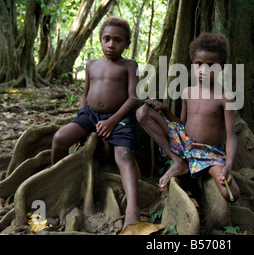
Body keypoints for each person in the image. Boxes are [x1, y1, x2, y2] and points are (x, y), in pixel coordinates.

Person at [51, 16, 140, 229]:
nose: (111, 44)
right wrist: (82, 122)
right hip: (90, 115)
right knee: (59, 138)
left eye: (118, 40)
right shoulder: (91, 65)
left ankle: (132, 207)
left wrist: (112, 121)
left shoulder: (129, 65)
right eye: (106, 39)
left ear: (127, 43)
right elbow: (85, 95)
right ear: (100, 40)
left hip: (118, 118)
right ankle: (58, 184)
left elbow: (134, 98)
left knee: (124, 156)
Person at [136, 32, 240, 202]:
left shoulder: (225, 96)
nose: (203, 70)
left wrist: (228, 166)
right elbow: (182, 125)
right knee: (143, 112)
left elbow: (231, 135)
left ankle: (201, 170)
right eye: (198, 64)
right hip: (185, 144)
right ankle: (178, 162)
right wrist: (165, 110)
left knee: (231, 194)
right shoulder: (187, 92)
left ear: (222, 67)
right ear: (192, 65)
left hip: (209, 154)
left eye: (211, 65)